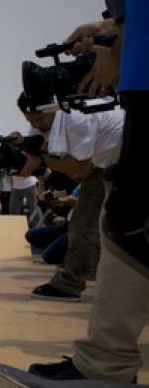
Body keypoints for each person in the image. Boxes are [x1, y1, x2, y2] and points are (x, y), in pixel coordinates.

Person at [27, 0, 149, 388]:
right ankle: (107, 362)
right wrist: (112, 36)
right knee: (126, 219)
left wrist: (117, 49)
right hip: (140, 81)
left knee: (127, 220)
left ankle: (107, 362)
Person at [15, 89, 124, 302]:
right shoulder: (42, 121)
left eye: (40, 119)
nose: (37, 125)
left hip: (118, 155)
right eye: (31, 121)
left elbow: (81, 171)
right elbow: (34, 152)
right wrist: (19, 147)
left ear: (52, 108)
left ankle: (69, 285)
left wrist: (42, 162)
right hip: (105, 160)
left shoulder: (76, 120)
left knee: (84, 222)